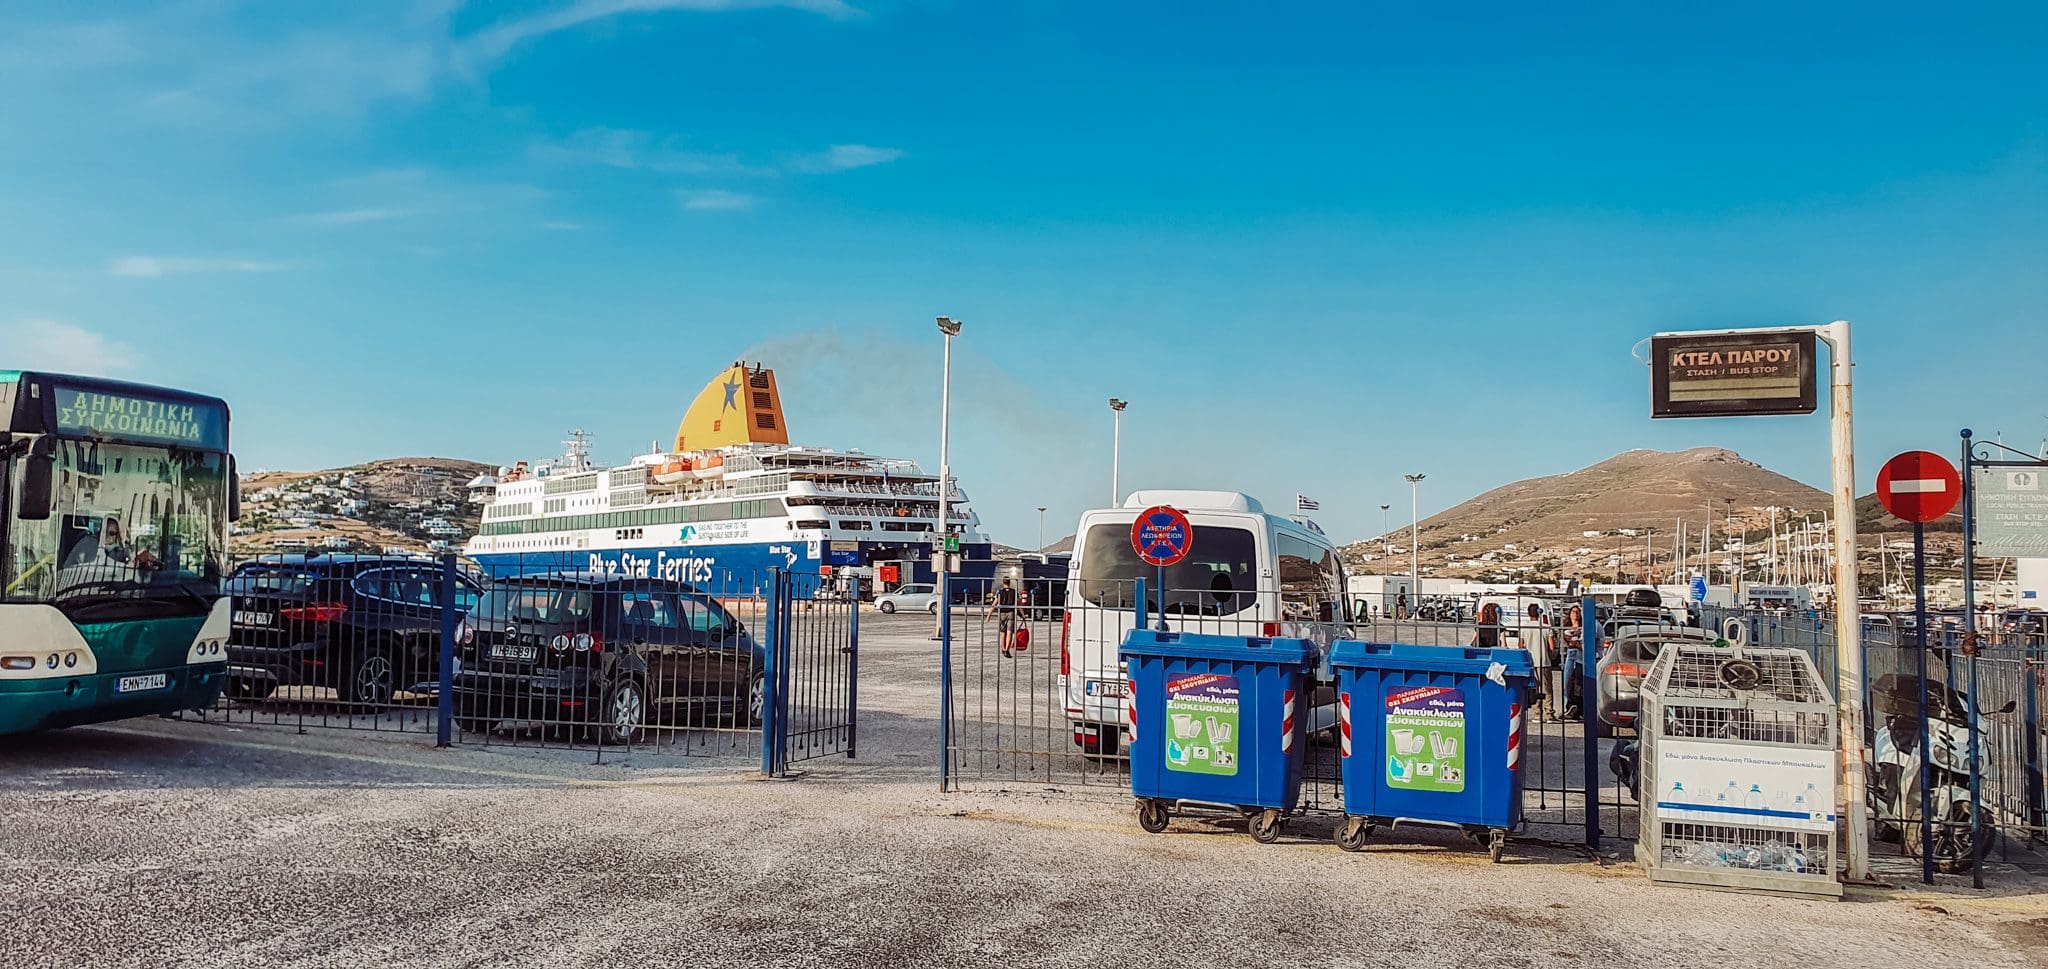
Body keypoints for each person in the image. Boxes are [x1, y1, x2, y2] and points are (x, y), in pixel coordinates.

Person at [1556, 603, 1586, 721]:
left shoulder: (1584, 627)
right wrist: (1573, 642)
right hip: (1570, 654)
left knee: (1579, 684)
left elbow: (1580, 643)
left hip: (1581, 656)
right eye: (1573, 612)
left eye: (1577, 612)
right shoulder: (1566, 628)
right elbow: (1566, 643)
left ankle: (1579, 708)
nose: (1575, 614)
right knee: (1567, 681)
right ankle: (1568, 706)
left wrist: (1575, 642)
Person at [991, 577, 1021, 657]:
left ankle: (1003, 648)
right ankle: (1007, 649)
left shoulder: (999, 592)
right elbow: (1018, 604)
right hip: (1011, 612)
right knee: (1009, 632)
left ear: (1003, 583)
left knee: (1002, 633)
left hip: (1002, 613)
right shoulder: (1014, 592)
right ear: (1009, 583)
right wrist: (1023, 615)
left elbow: (995, 603)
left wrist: (989, 615)